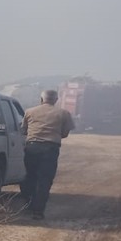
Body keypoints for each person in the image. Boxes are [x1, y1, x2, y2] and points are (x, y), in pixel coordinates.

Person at [19, 89, 75, 220]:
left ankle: (28, 204)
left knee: (29, 177)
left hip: (31, 147)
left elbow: (24, 130)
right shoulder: (64, 113)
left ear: (41, 99)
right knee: (44, 180)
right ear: (56, 100)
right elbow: (65, 133)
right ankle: (38, 212)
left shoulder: (29, 111)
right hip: (50, 149)